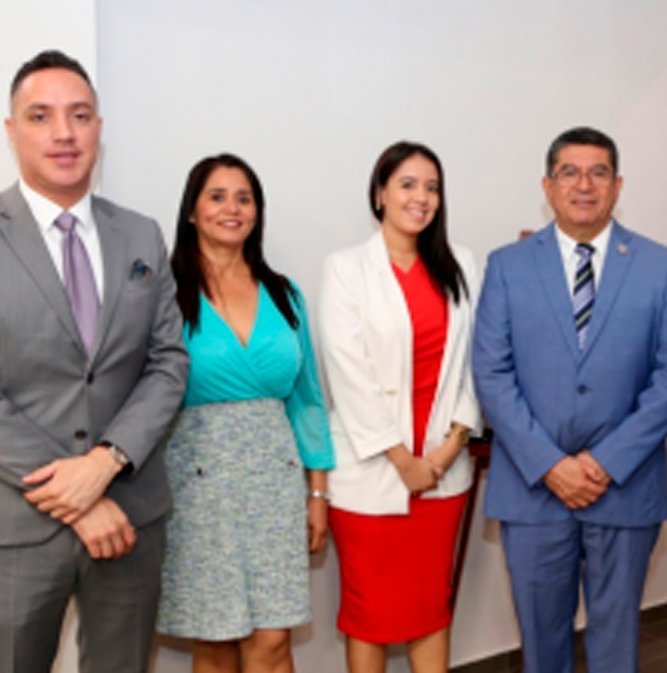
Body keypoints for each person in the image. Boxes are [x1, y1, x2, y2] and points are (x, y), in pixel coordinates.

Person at [471, 126, 667, 673]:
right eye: (569, 172)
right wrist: (550, 465)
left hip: (623, 484)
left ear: (618, 185)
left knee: (615, 642)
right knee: (541, 645)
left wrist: (603, 463)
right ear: (548, 187)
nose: (584, 184)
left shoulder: (660, 265)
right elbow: (491, 373)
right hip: (533, 487)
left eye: (598, 172)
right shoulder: (508, 264)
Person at [0, 50, 188, 673]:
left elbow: (167, 363)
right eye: (41, 116)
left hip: (131, 515)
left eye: (79, 115)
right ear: (11, 130)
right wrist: (76, 495)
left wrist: (106, 463)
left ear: (99, 129)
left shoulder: (141, 235)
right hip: (18, 527)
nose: (63, 133)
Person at [156, 153, 334, 673]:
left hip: (275, 485)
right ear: (192, 211)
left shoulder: (284, 293)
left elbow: (306, 400)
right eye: (217, 196)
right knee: (215, 640)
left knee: (273, 641)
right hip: (197, 486)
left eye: (244, 197)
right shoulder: (164, 294)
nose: (232, 208)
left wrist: (317, 492)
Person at [317, 141, 481, 673]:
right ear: (380, 193)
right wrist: (402, 460)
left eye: (432, 187)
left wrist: (446, 451)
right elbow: (349, 375)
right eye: (408, 184)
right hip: (369, 474)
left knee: (431, 609)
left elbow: (476, 367)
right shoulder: (346, 269)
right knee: (370, 613)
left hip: (442, 473)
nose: (422, 197)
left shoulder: (463, 266)